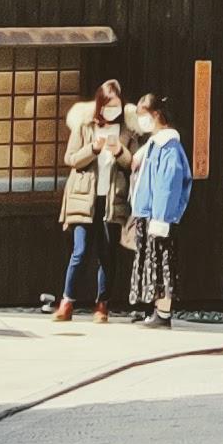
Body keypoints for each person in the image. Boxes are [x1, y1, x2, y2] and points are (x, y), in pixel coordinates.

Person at [54, 79, 134, 323]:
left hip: (111, 200)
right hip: (83, 198)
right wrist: (94, 149)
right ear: (100, 106)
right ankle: (67, 302)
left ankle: (102, 304)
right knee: (79, 251)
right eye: (109, 106)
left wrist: (118, 150)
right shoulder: (85, 128)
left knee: (107, 254)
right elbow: (71, 158)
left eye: (117, 106)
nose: (113, 111)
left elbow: (132, 163)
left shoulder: (125, 132)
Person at [128, 92, 192, 329]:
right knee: (153, 262)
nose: (141, 121)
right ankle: (156, 308)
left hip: (159, 216)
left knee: (162, 262)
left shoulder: (169, 148)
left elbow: (168, 184)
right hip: (149, 213)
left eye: (143, 116)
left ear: (155, 115)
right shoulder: (155, 145)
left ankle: (163, 312)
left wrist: (162, 217)